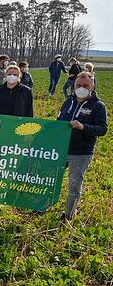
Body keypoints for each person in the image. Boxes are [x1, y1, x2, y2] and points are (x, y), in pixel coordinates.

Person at [57, 72, 108, 221]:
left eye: (85, 85)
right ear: (74, 85)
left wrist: (83, 127)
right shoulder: (68, 102)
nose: (81, 88)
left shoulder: (98, 106)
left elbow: (102, 129)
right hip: (61, 149)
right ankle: (43, 206)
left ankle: (68, 215)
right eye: (78, 85)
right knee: (51, 179)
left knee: (74, 184)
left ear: (93, 86)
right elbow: (59, 120)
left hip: (81, 153)